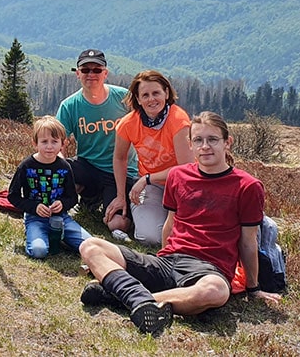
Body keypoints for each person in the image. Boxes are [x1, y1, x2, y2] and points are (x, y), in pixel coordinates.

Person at [79, 112, 282, 337]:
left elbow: (248, 241)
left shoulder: (248, 186)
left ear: (228, 142)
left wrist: (253, 289)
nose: (205, 146)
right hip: (169, 261)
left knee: (216, 292)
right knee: (91, 247)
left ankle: (120, 295)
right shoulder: (178, 175)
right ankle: (142, 297)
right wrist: (162, 260)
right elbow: (170, 225)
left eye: (212, 139)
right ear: (190, 145)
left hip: (208, 269)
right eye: (198, 140)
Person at [56, 49, 139, 238]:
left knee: (116, 224)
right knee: (62, 167)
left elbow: (146, 126)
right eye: (85, 70)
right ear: (77, 74)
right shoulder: (69, 105)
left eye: (97, 70)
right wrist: (61, 173)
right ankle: (82, 199)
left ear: (105, 73)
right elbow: (58, 142)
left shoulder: (124, 98)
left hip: (121, 172)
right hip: (88, 167)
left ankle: (113, 205)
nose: (91, 74)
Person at [110, 71, 194, 245]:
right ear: (138, 99)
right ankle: (140, 218)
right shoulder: (128, 124)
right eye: (145, 95)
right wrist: (120, 196)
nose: (151, 99)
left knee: (185, 232)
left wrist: (147, 178)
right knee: (150, 238)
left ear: (167, 93)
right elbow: (119, 158)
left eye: (156, 93)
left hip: (181, 184)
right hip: (151, 187)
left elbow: (186, 167)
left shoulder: (178, 121)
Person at [7, 116, 91, 259]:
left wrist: (62, 204)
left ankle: (59, 236)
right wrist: (34, 207)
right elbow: (12, 196)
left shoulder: (64, 166)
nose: (49, 146)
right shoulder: (26, 166)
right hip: (35, 217)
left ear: (62, 144)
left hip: (61, 217)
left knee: (90, 245)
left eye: (54, 142)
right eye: (44, 142)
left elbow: (72, 198)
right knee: (39, 251)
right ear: (35, 143)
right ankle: (41, 235)